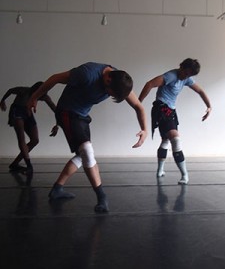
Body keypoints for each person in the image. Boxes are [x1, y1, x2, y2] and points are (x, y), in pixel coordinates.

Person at [27, 62, 148, 213]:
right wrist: (34, 96)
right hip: (67, 111)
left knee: (81, 155)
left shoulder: (120, 81)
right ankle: (101, 197)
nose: (108, 95)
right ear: (108, 80)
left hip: (82, 115)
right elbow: (55, 78)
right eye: (110, 93)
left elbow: (138, 106)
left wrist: (144, 129)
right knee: (86, 151)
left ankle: (57, 189)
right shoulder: (86, 73)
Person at [139, 58, 211, 184]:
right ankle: (185, 175)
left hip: (171, 111)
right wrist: (138, 103)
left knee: (166, 140)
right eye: (186, 73)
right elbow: (149, 84)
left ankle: (160, 170)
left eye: (189, 75)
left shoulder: (186, 78)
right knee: (175, 139)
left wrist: (209, 106)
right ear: (181, 67)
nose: (186, 77)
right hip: (161, 108)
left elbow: (200, 91)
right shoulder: (170, 76)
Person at [0, 82, 58, 174]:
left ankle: (15, 164)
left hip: (27, 113)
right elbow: (10, 91)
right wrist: (2, 101)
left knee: (35, 140)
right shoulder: (24, 90)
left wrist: (57, 125)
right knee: (21, 138)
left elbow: (56, 110)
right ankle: (29, 165)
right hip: (17, 110)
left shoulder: (43, 96)